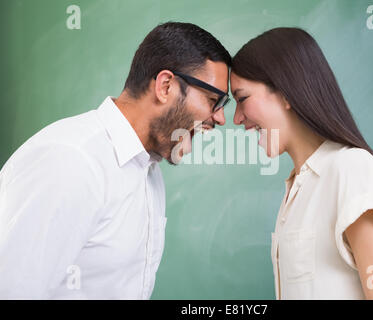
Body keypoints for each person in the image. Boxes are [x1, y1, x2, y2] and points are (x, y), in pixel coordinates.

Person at [0, 22, 231, 299]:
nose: (220, 118)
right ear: (166, 86)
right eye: (213, 100)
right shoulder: (70, 160)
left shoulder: (148, 170)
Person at [230, 27, 373, 299]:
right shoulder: (297, 189)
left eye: (242, 99)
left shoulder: (353, 172)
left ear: (284, 92)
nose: (237, 118)